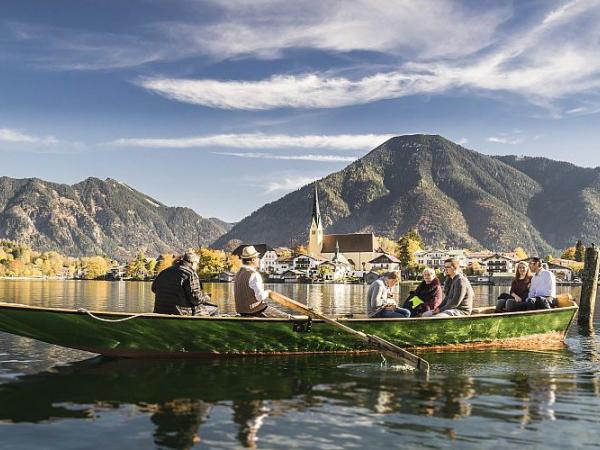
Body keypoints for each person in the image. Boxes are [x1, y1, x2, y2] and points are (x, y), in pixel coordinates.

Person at [152, 252, 216, 315]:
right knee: (214, 309)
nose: (197, 267)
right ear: (193, 263)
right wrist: (206, 298)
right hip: (181, 312)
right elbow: (196, 300)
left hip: (159, 311)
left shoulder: (164, 272)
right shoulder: (190, 273)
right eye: (197, 264)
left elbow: (154, 289)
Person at [234, 245, 288, 318]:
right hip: (256, 310)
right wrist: (268, 292)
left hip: (242, 312)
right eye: (257, 257)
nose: (259, 259)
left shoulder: (238, 274)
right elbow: (260, 297)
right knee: (287, 317)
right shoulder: (254, 274)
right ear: (253, 259)